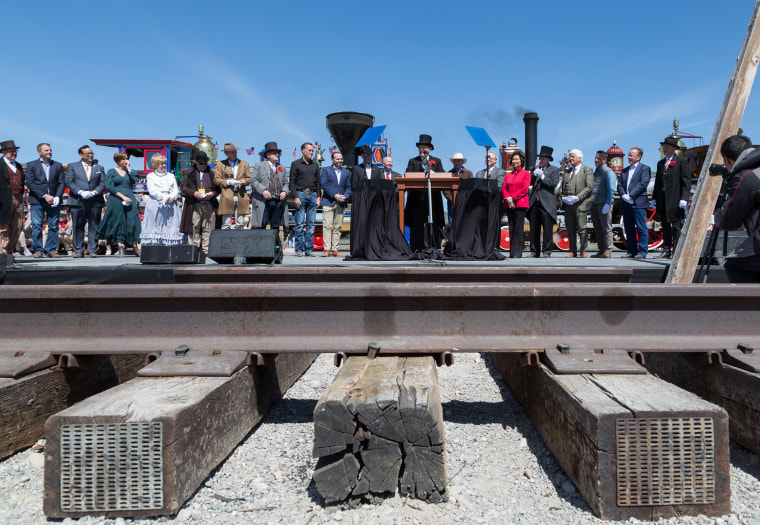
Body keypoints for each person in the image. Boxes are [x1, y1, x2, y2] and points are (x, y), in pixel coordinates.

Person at [713, 134, 760, 282]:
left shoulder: (745, 177)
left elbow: (728, 222)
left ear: (727, 159)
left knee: (734, 264)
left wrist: (719, 209)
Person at [405, 134, 446, 251]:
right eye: (420, 147)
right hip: (417, 199)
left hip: (432, 198)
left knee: (434, 222)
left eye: (424, 147)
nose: (422, 150)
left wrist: (435, 174)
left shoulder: (436, 161)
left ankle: (434, 247)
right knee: (416, 224)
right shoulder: (413, 161)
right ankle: (416, 248)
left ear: (430, 149)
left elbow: (443, 176)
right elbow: (408, 175)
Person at [96, 152, 141, 257]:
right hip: (116, 198)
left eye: (127, 159)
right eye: (123, 159)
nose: (125, 161)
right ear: (117, 161)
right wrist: (122, 196)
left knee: (133, 220)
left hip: (130, 197)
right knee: (118, 221)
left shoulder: (130, 172)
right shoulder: (112, 171)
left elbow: (136, 179)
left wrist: (129, 168)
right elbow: (109, 186)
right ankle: (120, 247)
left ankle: (135, 247)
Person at [65, 144, 107, 258]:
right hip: (77, 200)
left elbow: (103, 183)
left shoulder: (99, 167)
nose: (90, 155)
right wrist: (79, 192)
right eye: (88, 153)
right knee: (78, 225)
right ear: (80, 154)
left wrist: (94, 192)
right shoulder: (73, 166)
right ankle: (78, 250)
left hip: (95, 201)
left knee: (94, 225)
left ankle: (92, 249)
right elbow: (69, 181)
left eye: (92, 153)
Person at [653, 136, 692, 258]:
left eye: (667, 147)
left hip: (675, 198)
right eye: (664, 147)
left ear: (674, 148)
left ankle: (677, 250)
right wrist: (654, 197)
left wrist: (684, 198)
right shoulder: (660, 163)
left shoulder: (681, 161)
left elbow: (686, 181)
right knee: (665, 225)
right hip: (663, 197)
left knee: (676, 226)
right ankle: (666, 250)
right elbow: (657, 182)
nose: (664, 149)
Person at [26, 143, 65, 258]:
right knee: (37, 226)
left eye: (50, 150)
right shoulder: (32, 165)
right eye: (46, 150)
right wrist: (44, 195)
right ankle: (38, 250)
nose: (49, 152)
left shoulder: (57, 165)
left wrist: (57, 196)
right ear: (39, 152)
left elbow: (62, 182)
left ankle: (51, 250)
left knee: (53, 226)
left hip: (54, 201)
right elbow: (30, 182)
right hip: (37, 200)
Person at [180, 151, 219, 255]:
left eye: (205, 163)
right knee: (194, 227)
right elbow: (183, 187)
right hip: (194, 204)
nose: (203, 166)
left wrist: (212, 193)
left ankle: (206, 251)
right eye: (201, 163)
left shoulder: (211, 173)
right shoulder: (188, 172)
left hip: (209, 204)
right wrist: (194, 193)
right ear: (196, 162)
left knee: (208, 228)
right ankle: (193, 250)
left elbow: (218, 189)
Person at [140, 154, 183, 246]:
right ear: (155, 165)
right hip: (156, 202)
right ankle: (154, 247)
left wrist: (171, 197)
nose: (163, 166)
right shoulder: (150, 176)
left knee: (170, 224)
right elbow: (152, 191)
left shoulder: (171, 176)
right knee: (155, 223)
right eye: (161, 164)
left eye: (164, 163)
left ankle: (169, 247)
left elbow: (175, 190)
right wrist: (164, 198)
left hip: (170, 203)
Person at [527, 145, 561, 257]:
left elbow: (553, 184)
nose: (540, 160)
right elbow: (529, 182)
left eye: (543, 159)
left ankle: (547, 251)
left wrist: (542, 177)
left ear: (548, 160)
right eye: (540, 158)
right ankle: (534, 251)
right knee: (534, 229)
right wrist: (533, 173)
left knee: (547, 229)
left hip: (547, 203)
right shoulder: (536, 169)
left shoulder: (554, 170)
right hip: (534, 203)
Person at [559, 149, 595, 257]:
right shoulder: (566, 172)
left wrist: (578, 197)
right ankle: (572, 251)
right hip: (568, 205)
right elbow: (562, 187)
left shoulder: (587, 170)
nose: (571, 159)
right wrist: (563, 198)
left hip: (581, 203)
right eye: (570, 157)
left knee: (582, 227)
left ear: (580, 158)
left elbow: (590, 187)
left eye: (573, 156)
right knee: (570, 228)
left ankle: (583, 251)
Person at [617, 147, 651, 259]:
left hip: (639, 202)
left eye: (631, 155)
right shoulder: (624, 170)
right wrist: (624, 196)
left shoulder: (645, 169)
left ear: (638, 157)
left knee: (641, 228)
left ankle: (642, 252)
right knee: (629, 228)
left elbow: (643, 183)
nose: (629, 157)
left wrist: (631, 195)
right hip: (626, 203)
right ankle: (631, 251)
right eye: (629, 155)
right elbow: (620, 184)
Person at [290, 142, 321, 256]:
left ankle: (309, 249)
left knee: (311, 224)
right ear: (303, 151)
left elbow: (318, 182)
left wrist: (318, 197)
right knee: (299, 223)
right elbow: (291, 182)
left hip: (313, 194)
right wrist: (295, 197)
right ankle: (298, 249)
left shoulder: (315, 165)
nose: (312, 152)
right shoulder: (296, 164)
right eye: (309, 150)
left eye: (312, 151)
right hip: (301, 194)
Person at [251, 141, 288, 233]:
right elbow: (253, 180)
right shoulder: (259, 166)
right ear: (268, 155)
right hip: (264, 201)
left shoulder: (282, 168)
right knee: (262, 224)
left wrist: (285, 191)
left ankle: (275, 246)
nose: (277, 154)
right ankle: (261, 246)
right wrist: (263, 191)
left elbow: (286, 183)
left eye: (278, 153)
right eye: (275, 153)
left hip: (278, 201)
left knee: (275, 226)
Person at [320, 151, 351, 257]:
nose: (340, 161)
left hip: (341, 202)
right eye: (337, 159)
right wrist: (334, 195)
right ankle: (327, 249)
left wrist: (345, 196)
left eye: (341, 159)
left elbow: (348, 187)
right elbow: (323, 184)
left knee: (338, 226)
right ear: (332, 160)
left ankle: (335, 249)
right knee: (327, 226)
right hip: (328, 201)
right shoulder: (326, 170)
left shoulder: (346, 172)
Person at [214, 142, 251, 229]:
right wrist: (228, 182)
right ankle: (225, 241)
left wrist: (244, 181)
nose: (234, 154)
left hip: (241, 195)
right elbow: (216, 180)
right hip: (227, 195)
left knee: (240, 223)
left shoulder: (244, 164)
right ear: (226, 154)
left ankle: (240, 241)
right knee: (226, 223)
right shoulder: (220, 164)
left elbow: (249, 179)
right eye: (232, 152)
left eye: (235, 152)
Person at [502, 150, 530, 258]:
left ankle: (518, 253)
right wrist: (507, 199)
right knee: (511, 227)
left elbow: (524, 189)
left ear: (521, 161)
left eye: (516, 159)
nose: (514, 161)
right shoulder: (508, 175)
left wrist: (512, 198)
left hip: (520, 204)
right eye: (513, 159)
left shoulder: (526, 174)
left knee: (518, 228)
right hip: (509, 204)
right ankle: (512, 253)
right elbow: (504, 188)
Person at [589, 150, 617, 258]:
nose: (596, 160)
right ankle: (601, 249)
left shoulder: (608, 172)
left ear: (605, 160)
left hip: (603, 204)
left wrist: (608, 203)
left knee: (606, 228)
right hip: (594, 204)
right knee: (598, 228)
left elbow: (611, 189)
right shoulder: (595, 172)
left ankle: (608, 250)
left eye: (599, 158)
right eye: (595, 158)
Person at [0, 140, 25, 256]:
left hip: (18, 197)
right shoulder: (0, 164)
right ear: (4, 152)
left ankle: (10, 250)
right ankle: (2, 251)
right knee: (4, 225)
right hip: (4, 198)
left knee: (18, 225)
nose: (14, 153)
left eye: (15, 151)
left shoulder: (18, 165)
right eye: (11, 151)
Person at [444, 153, 473, 225]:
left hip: (465, 203)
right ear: (453, 162)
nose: (457, 163)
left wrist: (464, 198)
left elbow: (471, 188)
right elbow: (445, 189)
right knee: (452, 223)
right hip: (451, 204)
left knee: (464, 223)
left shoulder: (469, 173)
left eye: (459, 161)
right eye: (455, 161)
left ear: (462, 162)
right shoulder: (448, 173)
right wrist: (452, 199)